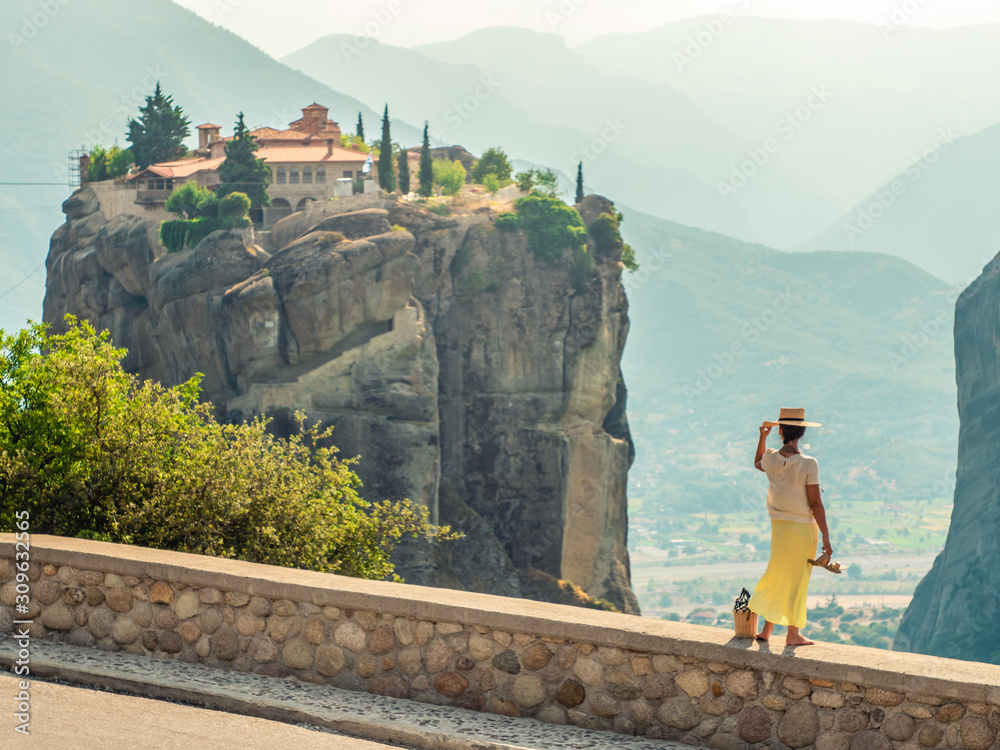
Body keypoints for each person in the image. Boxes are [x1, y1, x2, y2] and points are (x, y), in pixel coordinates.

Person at [749, 408, 832, 646]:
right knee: (797, 579)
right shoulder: (808, 463)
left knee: (778, 572)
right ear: (803, 433)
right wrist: (826, 535)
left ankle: (766, 630)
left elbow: (757, 462)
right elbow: (815, 503)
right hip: (803, 530)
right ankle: (793, 634)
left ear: (781, 431)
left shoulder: (771, 458)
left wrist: (763, 437)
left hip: (780, 528)